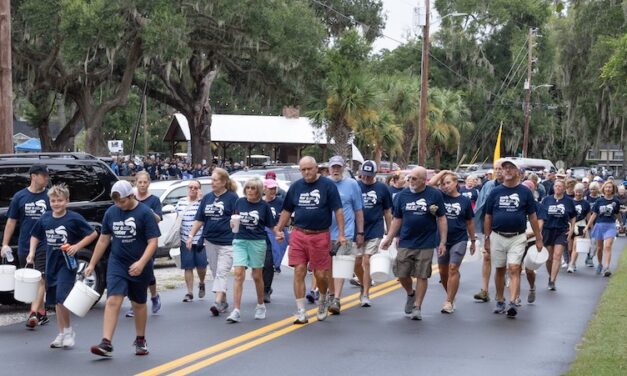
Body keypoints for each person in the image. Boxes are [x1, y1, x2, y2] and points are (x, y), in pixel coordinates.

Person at [86, 180, 161, 357]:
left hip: (139, 264)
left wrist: (142, 263)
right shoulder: (111, 213)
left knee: (138, 303)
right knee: (113, 299)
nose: (119, 205)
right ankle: (106, 342)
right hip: (117, 262)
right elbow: (104, 239)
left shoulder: (144, 213)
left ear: (131, 196)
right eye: (116, 202)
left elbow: (153, 241)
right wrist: (91, 264)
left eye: (123, 201)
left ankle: (140, 340)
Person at [273, 156, 345, 324]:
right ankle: (301, 311)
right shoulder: (296, 187)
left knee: (320, 274)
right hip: (298, 234)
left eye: (309, 169)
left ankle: (322, 299)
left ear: (316, 168)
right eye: (303, 169)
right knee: (299, 270)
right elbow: (286, 210)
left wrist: (341, 234)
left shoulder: (328, 186)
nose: (306, 172)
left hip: (320, 235)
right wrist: (278, 228)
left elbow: (338, 210)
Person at [28, 184, 98, 348]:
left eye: (60, 200)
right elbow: (35, 235)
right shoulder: (45, 218)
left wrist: (77, 246)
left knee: (62, 297)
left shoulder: (73, 218)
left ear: (67, 201)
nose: (56, 203)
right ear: (49, 202)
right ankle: (62, 333)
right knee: (55, 301)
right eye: (53, 201)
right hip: (50, 263)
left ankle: (68, 331)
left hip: (66, 264)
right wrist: (31, 252)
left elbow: (93, 233)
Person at [381, 166, 447, 321]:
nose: (411, 181)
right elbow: (397, 218)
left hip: (426, 242)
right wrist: (389, 237)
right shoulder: (402, 196)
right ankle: (411, 293)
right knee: (401, 273)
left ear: (424, 180)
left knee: (422, 275)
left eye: (415, 178)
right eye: (409, 177)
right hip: (406, 240)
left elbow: (442, 218)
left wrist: (442, 241)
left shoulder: (434, 195)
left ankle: (417, 306)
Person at [484, 159, 543, 318]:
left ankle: (512, 302)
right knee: (500, 269)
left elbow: (532, 216)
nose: (507, 170)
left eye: (511, 168)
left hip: (518, 236)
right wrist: (487, 238)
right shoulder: (495, 192)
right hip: (497, 235)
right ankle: (500, 299)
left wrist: (538, 238)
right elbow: (488, 216)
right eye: (505, 168)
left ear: (518, 172)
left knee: (514, 268)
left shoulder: (525, 192)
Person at [1, 164, 51, 328]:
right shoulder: (20, 197)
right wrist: (5, 244)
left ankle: (33, 313)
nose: (47, 178)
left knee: (41, 278)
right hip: (24, 244)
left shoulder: (49, 196)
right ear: (33, 176)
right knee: (32, 280)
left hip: (45, 243)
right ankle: (42, 313)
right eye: (44, 175)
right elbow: (11, 221)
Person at [187, 168, 239, 317]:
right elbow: (200, 219)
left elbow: (238, 218)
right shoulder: (207, 198)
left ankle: (216, 303)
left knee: (222, 272)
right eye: (212, 179)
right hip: (210, 241)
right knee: (216, 272)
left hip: (227, 242)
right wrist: (191, 235)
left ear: (224, 182)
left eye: (215, 180)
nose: (212, 182)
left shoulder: (232, 198)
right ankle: (223, 301)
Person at [226, 178, 275, 323]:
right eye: (248, 188)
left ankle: (260, 305)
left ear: (259, 191)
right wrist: (232, 223)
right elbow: (234, 218)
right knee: (238, 274)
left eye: (253, 188)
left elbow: (271, 224)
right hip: (240, 240)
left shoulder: (264, 206)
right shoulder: (239, 202)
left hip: (258, 242)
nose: (250, 191)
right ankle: (236, 310)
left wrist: (278, 233)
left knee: (256, 275)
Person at [430, 171, 475, 313]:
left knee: (453, 268)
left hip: (459, 238)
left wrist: (473, 240)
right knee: (443, 272)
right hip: (442, 240)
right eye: (443, 183)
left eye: (448, 182)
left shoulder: (464, 201)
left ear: (456, 183)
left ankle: (448, 302)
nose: (445, 186)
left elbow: (469, 222)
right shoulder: (440, 197)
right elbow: (430, 184)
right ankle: (451, 295)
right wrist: (443, 172)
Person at [327, 155, 364, 315]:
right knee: (327, 268)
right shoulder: (325, 183)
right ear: (329, 168)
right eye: (333, 167)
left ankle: (336, 298)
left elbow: (358, 210)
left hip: (346, 233)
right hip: (325, 232)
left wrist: (360, 232)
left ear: (343, 168)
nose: (336, 170)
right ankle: (330, 293)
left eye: (338, 167)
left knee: (341, 265)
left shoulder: (352, 184)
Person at [125, 172, 163, 318]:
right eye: (139, 182)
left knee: (147, 273)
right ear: (135, 183)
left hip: (148, 242)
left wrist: (147, 211)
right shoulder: (131, 199)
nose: (142, 185)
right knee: (132, 272)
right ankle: (134, 304)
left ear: (149, 183)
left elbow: (158, 219)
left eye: (144, 182)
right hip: (132, 241)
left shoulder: (154, 200)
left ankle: (154, 296)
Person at [355, 160, 392, 307]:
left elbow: (387, 212)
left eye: (369, 176)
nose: (366, 178)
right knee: (356, 262)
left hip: (375, 228)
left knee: (366, 260)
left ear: (375, 174)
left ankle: (365, 294)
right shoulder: (356, 185)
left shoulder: (382, 188)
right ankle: (365, 282)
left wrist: (389, 234)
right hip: (357, 229)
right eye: (364, 175)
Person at [472, 159, 504, 303]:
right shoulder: (488, 186)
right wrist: (474, 227)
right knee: (487, 257)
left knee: (504, 263)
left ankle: (501, 291)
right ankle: (484, 290)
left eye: (500, 168)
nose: (498, 171)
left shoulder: (514, 187)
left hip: (507, 229)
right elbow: (479, 206)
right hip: (488, 228)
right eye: (496, 169)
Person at [539, 180, 576, 291]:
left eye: (560, 186)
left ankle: (552, 280)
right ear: (553, 187)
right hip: (548, 230)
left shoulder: (568, 201)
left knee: (557, 255)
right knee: (549, 258)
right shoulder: (546, 200)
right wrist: (539, 231)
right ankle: (551, 276)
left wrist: (572, 229)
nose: (558, 188)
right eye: (556, 186)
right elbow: (540, 216)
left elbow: (573, 216)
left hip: (561, 231)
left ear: (564, 188)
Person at [177, 179, 208, 302]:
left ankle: (201, 282)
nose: (193, 190)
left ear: (199, 189)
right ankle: (189, 292)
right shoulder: (181, 203)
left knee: (201, 266)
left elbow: (206, 217)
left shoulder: (203, 202)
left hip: (200, 239)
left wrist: (200, 200)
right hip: (185, 239)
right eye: (191, 187)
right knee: (188, 266)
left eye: (196, 188)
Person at [584, 181, 622, 276]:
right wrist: (587, 226)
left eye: (610, 187)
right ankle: (600, 264)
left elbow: (617, 213)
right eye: (606, 187)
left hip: (610, 225)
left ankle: (607, 268)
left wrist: (621, 224)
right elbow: (594, 214)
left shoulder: (616, 201)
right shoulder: (599, 201)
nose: (608, 189)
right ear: (603, 189)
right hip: (599, 225)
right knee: (600, 248)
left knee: (608, 246)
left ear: (613, 189)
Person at [262, 178, 288, 303]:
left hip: (275, 233)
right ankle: (264, 287)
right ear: (264, 189)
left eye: (274, 188)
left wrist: (280, 228)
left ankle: (266, 290)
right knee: (260, 265)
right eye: (270, 188)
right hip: (260, 234)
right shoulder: (260, 203)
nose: (273, 191)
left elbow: (287, 219)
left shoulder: (280, 202)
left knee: (269, 262)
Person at [567, 183, 592, 273]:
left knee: (575, 246)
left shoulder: (586, 203)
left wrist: (589, 228)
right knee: (569, 248)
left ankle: (572, 264)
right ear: (574, 191)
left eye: (580, 192)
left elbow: (589, 217)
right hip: (570, 226)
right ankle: (572, 261)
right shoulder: (570, 201)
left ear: (583, 193)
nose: (578, 194)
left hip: (581, 225)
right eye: (577, 192)